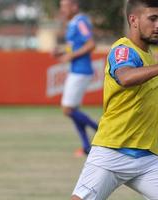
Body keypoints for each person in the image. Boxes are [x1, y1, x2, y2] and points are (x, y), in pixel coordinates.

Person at [71, 0, 158, 199]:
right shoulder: (123, 49)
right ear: (133, 19)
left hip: (145, 160)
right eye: (152, 19)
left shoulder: (148, 54)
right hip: (112, 154)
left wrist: (157, 92)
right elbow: (125, 77)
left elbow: (140, 84)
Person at [54, 0, 98, 157]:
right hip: (75, 70)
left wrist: (70, 55)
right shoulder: (72, 22)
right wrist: (62, 52)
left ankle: (99, 130)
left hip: (81, 71)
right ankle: (86, 147)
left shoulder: (80, 21)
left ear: (74, 6)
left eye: (65, 6)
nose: (63, 9)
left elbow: (91, 44)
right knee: (73, 110)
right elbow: (75, 45)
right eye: (61, 6)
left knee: (67, 109)